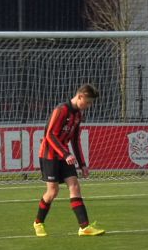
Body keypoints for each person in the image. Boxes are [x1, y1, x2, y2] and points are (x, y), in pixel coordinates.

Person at [33, 84, 105, 237]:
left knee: (75, 186)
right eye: (88, 102)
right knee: (52, 191)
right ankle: (38, 222)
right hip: (49, 155)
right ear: (80, 96)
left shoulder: (78, 115)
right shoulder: (61, 110)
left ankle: (84, 227)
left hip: (64, 155)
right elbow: (50, 135)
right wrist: (66, 155)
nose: (89, 106)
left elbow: (75, 141)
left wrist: (83, 164)